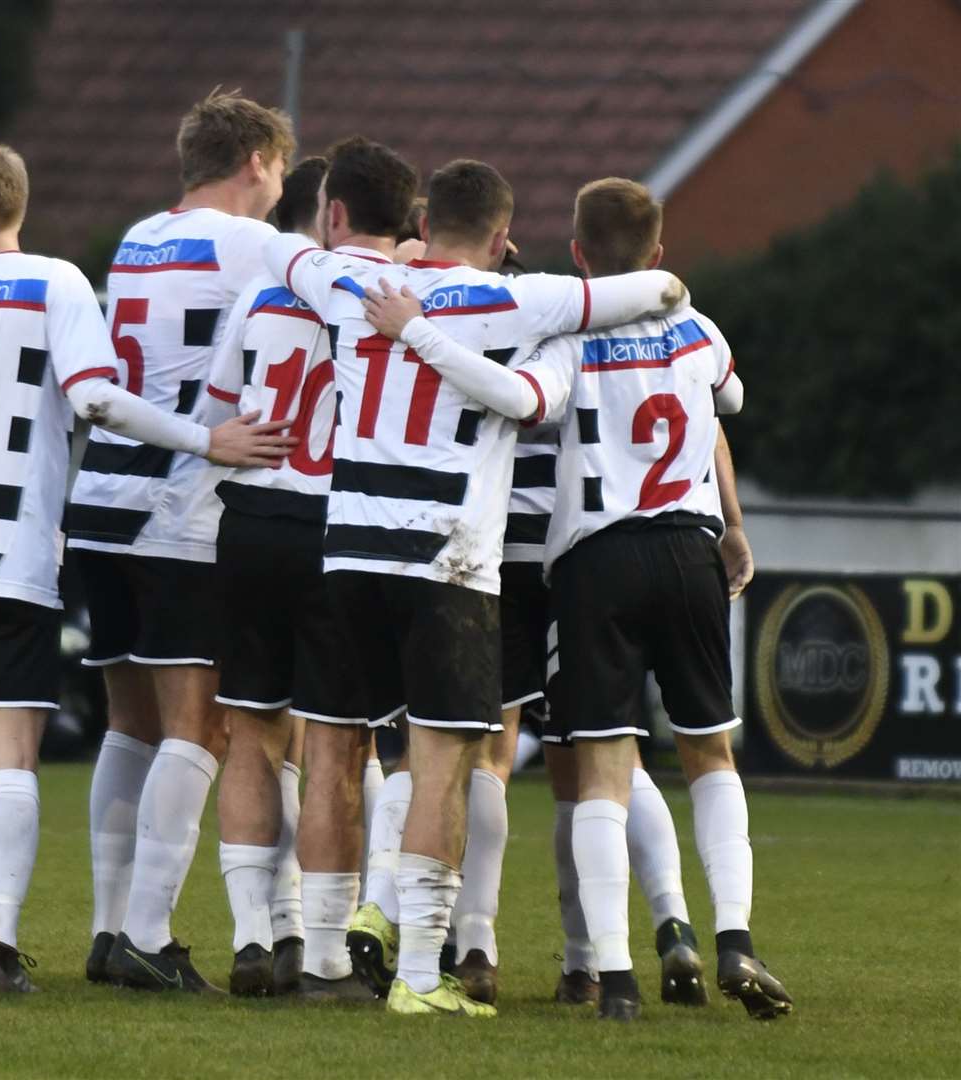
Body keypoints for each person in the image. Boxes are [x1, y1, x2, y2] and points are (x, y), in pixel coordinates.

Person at [0, 143, 292, 993]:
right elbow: (94, 398)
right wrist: (204, 438)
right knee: (12, 749)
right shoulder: (57, 281)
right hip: (13, 549)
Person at [268, 159, 690, 1017]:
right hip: (448, 560)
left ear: (427, 219)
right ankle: (424, 977)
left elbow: (293, 260)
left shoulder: (354, 278)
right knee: (443, 766)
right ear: (501, 238)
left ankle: (320, 965)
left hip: (348, 550)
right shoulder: (517, 296)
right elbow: (656, 289)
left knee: (335, 760)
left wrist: (399, 275)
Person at [364, 176, 790, 1022]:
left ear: (578, 259)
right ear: (659, 256)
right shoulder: (700, 330)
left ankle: (609, 974)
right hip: (691, 547)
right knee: (710, 754)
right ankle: (731, 937)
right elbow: (723, 404)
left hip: (586, 560)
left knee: (587, 768)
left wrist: (416, 328)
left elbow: (524, 402)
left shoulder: (563, 333)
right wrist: (734, 523)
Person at [68, 90, 295, 993]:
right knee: (197, 723)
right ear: (257, 163)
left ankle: (105, 927)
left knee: (129, 723)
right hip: (178, 503)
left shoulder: (136, 237)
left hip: (105, 495)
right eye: (281, 168)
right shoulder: (257, 243)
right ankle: (148, 934)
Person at [206, 140, 417, 1002]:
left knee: (250, 732)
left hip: (254, 520)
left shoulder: (265, 288)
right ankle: (328, 955)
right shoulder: (404, 299)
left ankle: (256, 937)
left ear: (332, 214)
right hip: (342, 526)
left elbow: (226, 403)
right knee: (339, 740)